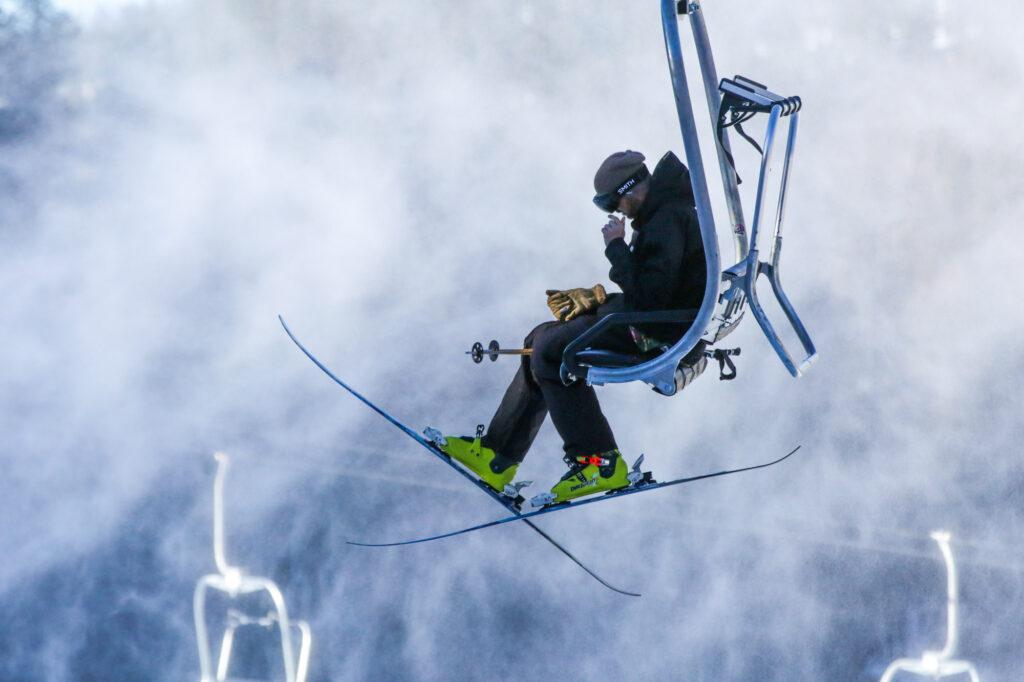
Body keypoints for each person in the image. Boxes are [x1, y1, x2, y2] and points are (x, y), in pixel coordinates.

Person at [430, 149, 707, 507]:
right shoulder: (663, 214)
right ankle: (497, 457)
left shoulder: (667, 219)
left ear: (630, 189)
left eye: (611, 201)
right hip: (657, 319)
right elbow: (654, 289)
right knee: (538, 339)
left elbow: (651, 299)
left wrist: (616, 248)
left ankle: (600, 463)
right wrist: (597, 298)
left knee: (552, 352)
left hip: (662, 331)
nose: (614, 210)